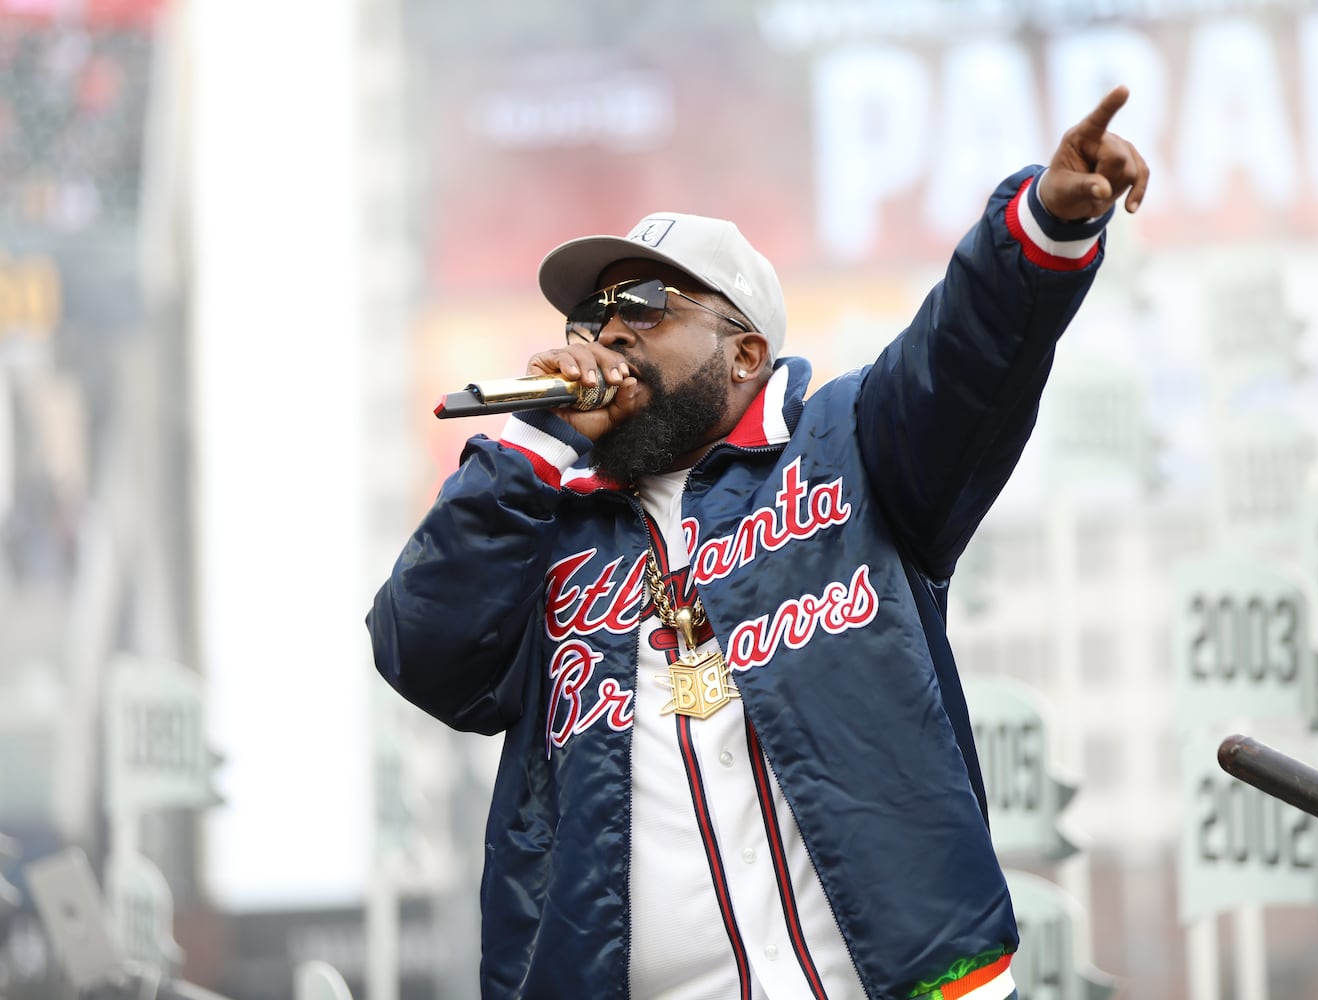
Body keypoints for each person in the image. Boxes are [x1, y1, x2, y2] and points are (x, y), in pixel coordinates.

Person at [368, 85, 1149, 1000]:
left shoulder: (848, 446)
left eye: (647, 303)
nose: (608, 332)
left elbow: (965, 358)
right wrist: (531, 440)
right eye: (589, 319)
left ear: (745, 353)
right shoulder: (540, 528)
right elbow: (420, 648)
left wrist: (1043, 230)